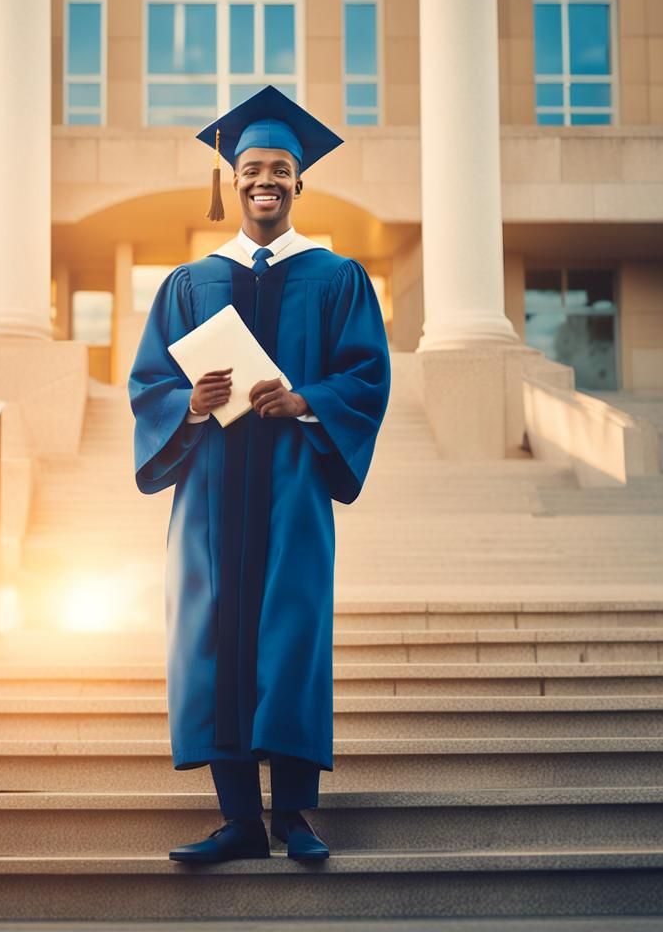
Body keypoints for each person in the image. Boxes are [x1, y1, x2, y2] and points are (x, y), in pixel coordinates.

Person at [127, 85, 391, 863]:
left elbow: (368, 376)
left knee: (291, 634)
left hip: (293, 490)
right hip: (209, 495)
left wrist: (307, 398)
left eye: (278, 167)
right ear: (232, 180)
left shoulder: (338, 277)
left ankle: (296, 819)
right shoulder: (188, 283)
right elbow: (148, 384)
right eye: (250, 168)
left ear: (299, 180)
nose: (263, 180)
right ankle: (238, 818)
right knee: (212, 638)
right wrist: (195, 404)